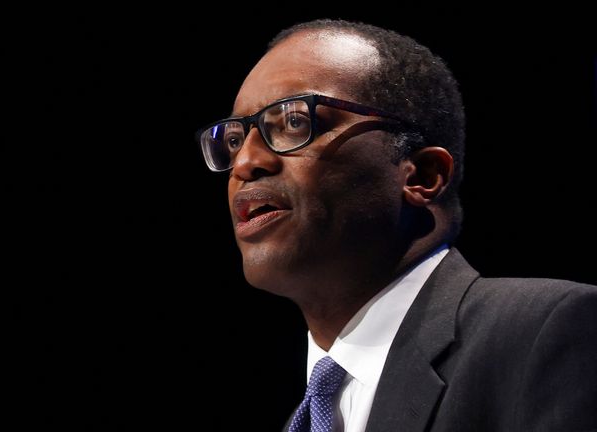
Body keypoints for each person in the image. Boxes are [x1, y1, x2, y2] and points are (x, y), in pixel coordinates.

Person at [195, 19, 597, 432]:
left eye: (295, 122)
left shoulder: (546, 333)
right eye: (234, 140)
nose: (245, 163)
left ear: (421, 174)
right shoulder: (306, 416)